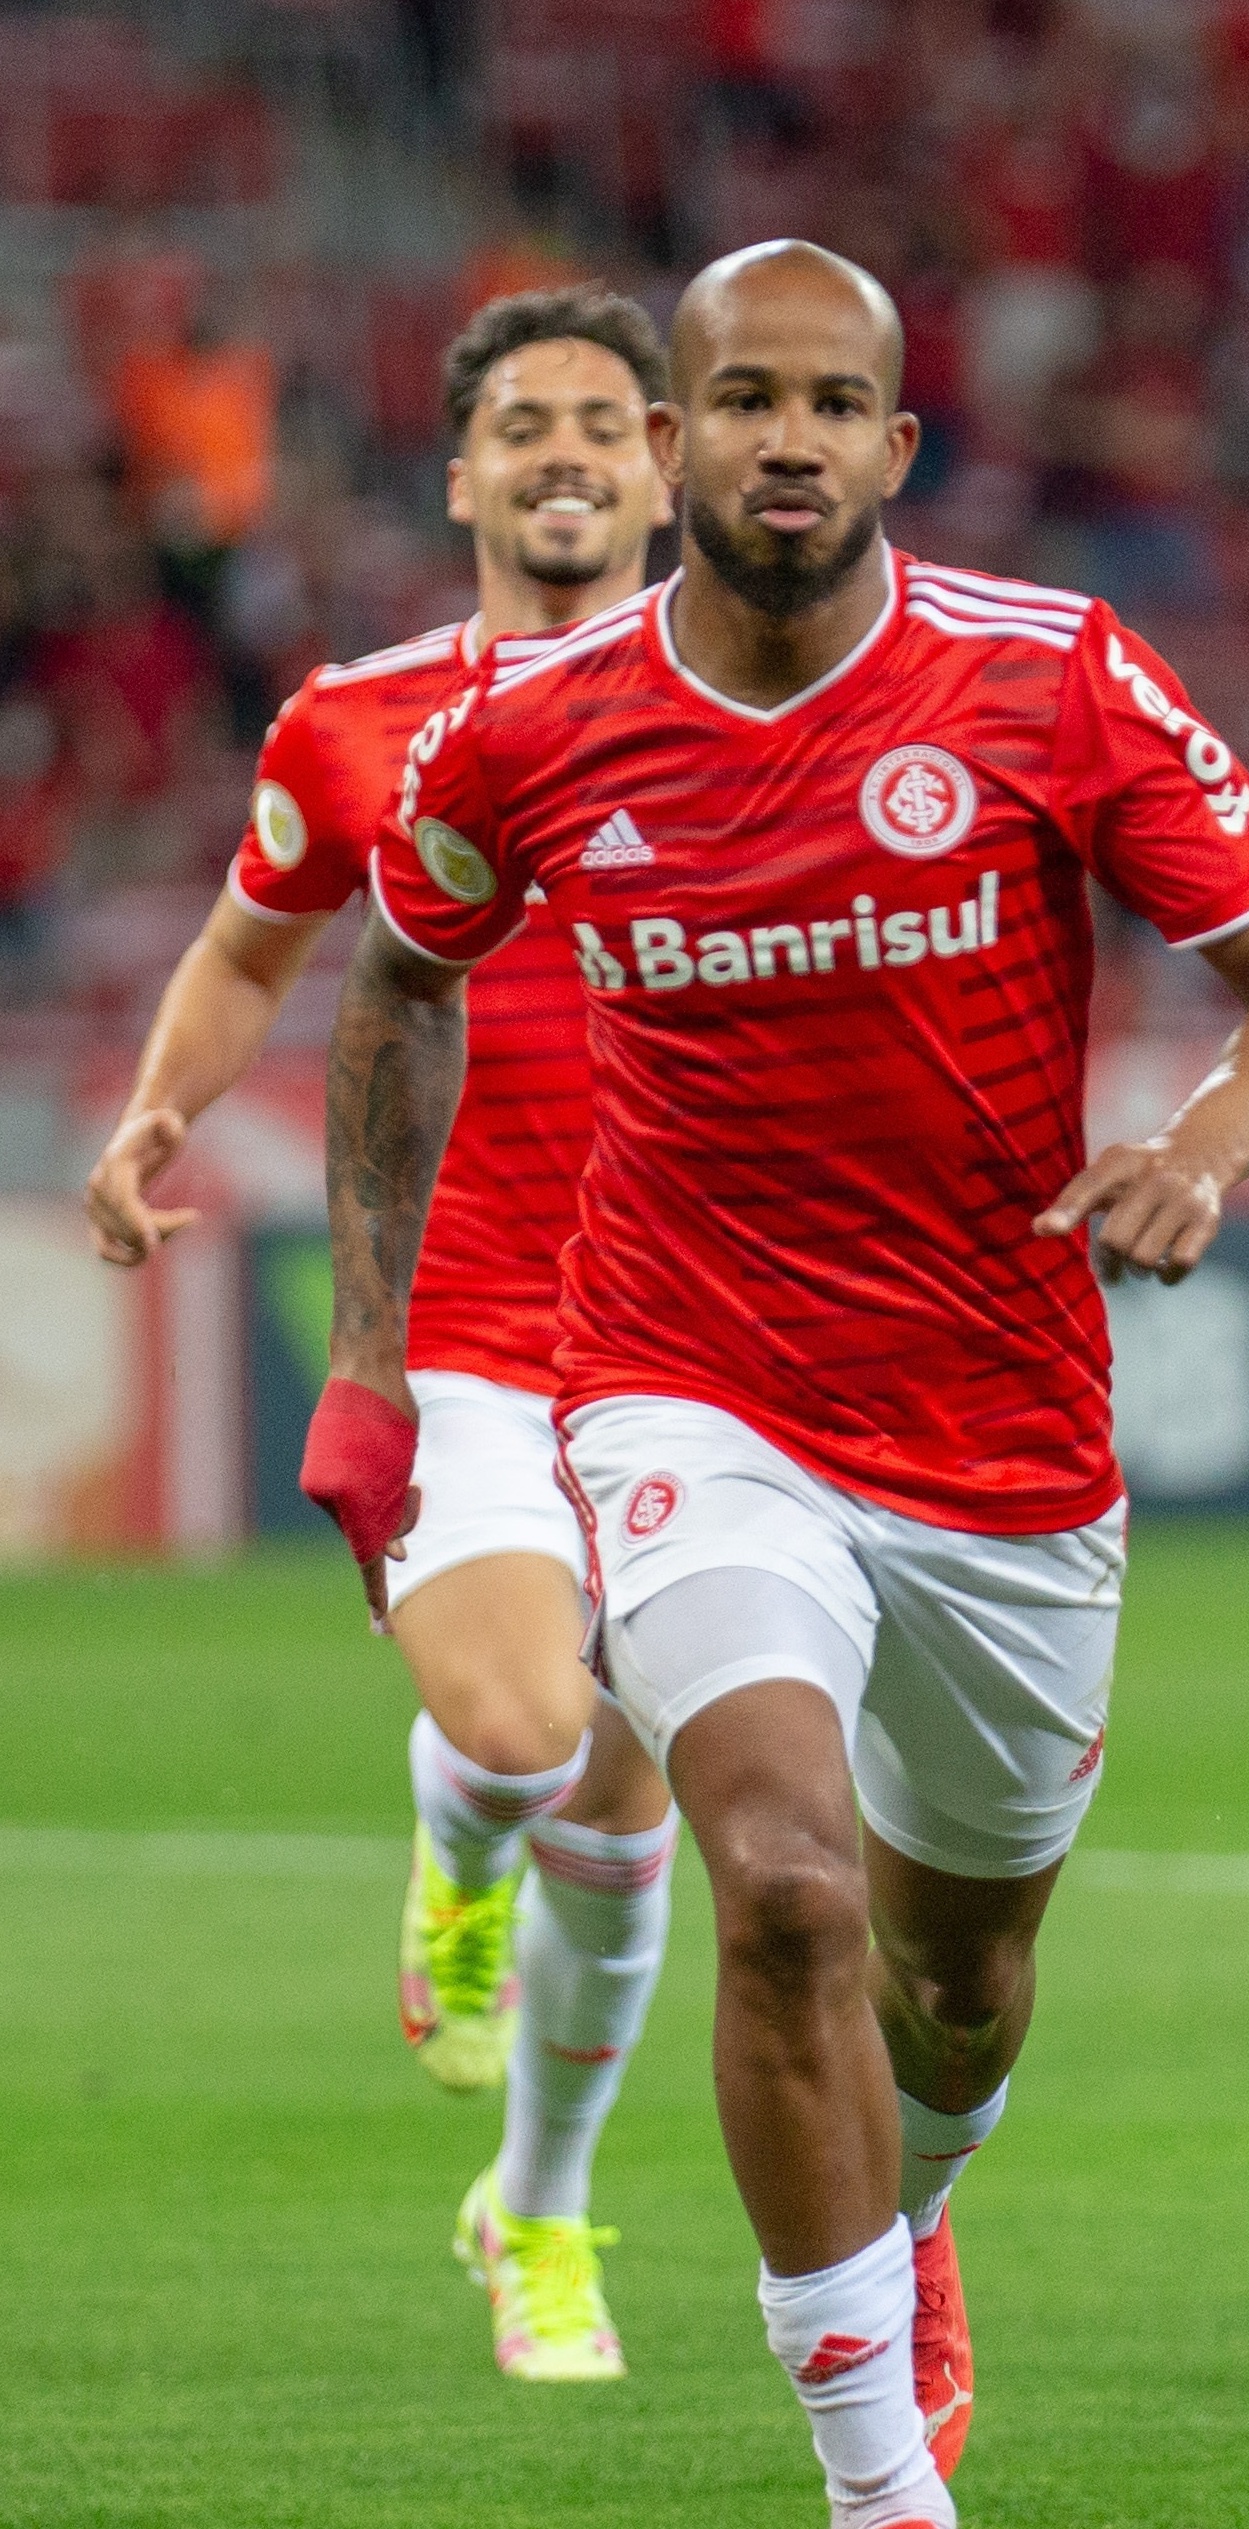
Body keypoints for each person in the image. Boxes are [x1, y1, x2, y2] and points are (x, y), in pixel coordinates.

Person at [308, 241, 1249, 2529]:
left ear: (902, 444)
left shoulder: (1049, 673)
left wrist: (1205, 1147)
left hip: (1007, 1432)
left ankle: (911, 2211)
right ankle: (889, 2522)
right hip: (685, 1393)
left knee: (957, 1984)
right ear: (670, 443)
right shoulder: (533, 724)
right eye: (739, 401)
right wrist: (379, 1335)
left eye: (836, 404)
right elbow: (394, 978)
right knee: (772, 1871)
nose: (786, 440)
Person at [87, 286, 683, 2384]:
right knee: (530, 1737)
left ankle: (540, 2210)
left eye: (604, 423)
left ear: (665, 466)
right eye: (521, 425)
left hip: (702, 1330)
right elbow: (254, 955)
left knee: (636, 1811)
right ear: (460, 477)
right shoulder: (356, 720)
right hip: (466, 1317)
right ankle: (456, 1862)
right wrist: (162, 1100)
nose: (562, 456)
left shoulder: (763, 715)